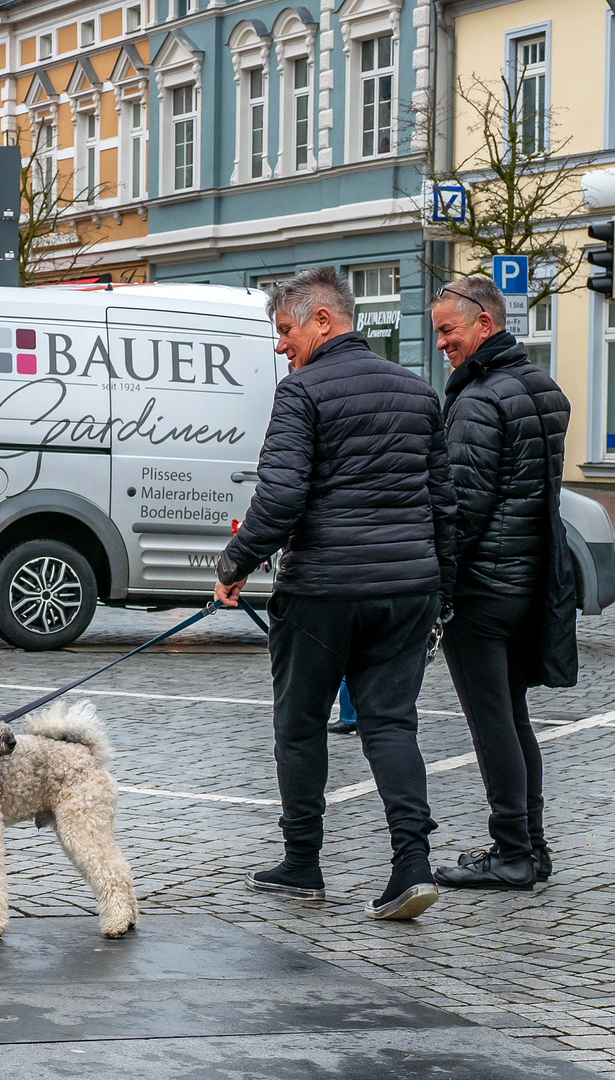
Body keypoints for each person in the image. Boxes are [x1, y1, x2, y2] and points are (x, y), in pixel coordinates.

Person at [215, 266, 457, 921]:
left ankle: (302, 863)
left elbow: (283, 494)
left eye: (286, 329)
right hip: (408, 589)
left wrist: (235, 562)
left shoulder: (303, 393)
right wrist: (444, 590)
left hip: (324, 589)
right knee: (391, 723)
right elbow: (444, 501)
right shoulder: (417, 391)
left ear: (324, 319)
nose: (280, 345)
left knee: (299, 726)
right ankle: (412, 864)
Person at [428, 276, 571, 891]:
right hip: (529, 581)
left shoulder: (480, 400)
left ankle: (512, 851)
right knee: (513, 719)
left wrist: (440, 585)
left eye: (448, 330)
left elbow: (462, 505)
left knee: (495, 724)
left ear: (484, 323)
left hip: (484, 589)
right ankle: (531, 847)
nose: (442, 343)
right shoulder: (544, 387)